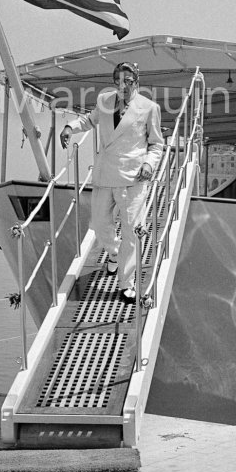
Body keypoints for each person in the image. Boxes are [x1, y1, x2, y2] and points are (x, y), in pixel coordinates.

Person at [59, 62, 164, 301]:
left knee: (131, 232)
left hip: (133, 177)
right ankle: (114, 254)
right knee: (98, 223)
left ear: (136, 82)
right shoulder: (104, 101)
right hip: (106, 174)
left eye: (128, 81)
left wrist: (149, 164)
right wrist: (69, 127)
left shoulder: (149, 108)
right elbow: (89, 120)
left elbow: (157, 143)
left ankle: (126, 285)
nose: (123, 86)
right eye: (119, 81)